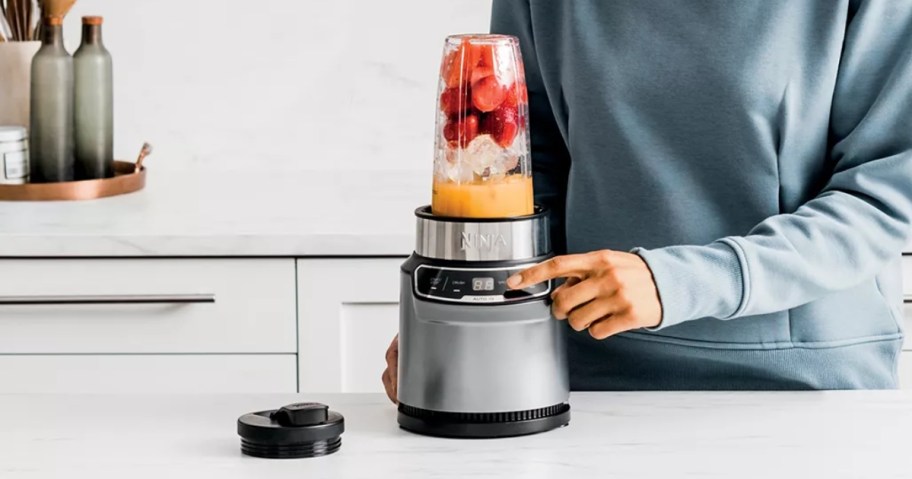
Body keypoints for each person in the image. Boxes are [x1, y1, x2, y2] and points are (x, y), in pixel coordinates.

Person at [383, 0, 912, 399]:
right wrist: (475, 327)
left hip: (805, 386)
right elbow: (522, 165)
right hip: (589, 377)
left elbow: (885, 195)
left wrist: (682, 282)